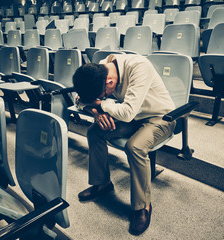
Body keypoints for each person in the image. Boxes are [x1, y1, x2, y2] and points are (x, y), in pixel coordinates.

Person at [72, 54, 176, 235]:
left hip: (161, 117)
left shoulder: (138, 66)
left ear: (110, 82)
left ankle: (142, 207)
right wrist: (96, 111)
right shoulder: (99, 70)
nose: (104, 97)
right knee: (94, 131)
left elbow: (127, 112)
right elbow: (79, 100)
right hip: (132, 118)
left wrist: (101, 104)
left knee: (134, 146)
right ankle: (102, 184)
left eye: (104, 95)